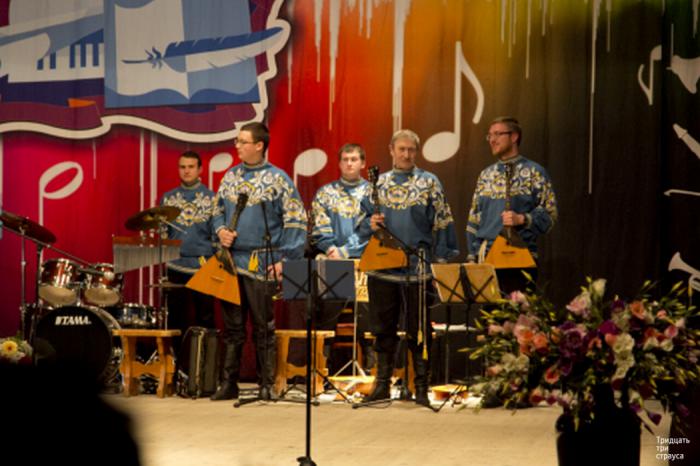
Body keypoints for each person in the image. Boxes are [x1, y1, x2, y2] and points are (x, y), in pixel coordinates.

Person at [210, 122, 307, 401]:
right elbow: (216, 210)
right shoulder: (230, 176)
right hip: (231, 261)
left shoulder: (278, 179)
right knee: (232, 327)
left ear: (259, 145)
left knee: (263, 327)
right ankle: (229, 383)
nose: (237, 146)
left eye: (243, 141)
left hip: (262, 260)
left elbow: (296, 219)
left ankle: (266, 384)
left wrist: (286, 259)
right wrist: (221, 230)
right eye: (237, 141)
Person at [361, 129, 459, 405]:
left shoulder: (429, 182)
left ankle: (422, 387)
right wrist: (369, 224)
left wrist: (441, 261)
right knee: (382, 328)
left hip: (417, 267)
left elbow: (443, 222)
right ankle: (382, 385)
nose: (406, 154)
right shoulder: (377, 183)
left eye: (411, 150)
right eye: (401, 149)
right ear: (391, 150)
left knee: (419, 330)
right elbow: (360, 222)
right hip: (383, 268)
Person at [466, 116, 557, 294]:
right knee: (490, 312)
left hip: (521, 258)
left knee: (518, 312)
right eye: (490, 135)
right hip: (488, 260)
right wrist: (472, 257)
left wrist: (522, 219)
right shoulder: (485, 175)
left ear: (514, 137)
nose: (492, 140)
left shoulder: (534, 172)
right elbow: (474, 219)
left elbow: (550, 215)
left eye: (497, 134)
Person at [310, 143, 372, 373]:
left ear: (363, 163)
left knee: (367, 314)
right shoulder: (325, 193)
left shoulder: (373, 193)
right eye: (345, 159)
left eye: (354, 159)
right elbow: (319, 228)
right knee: (326, 313)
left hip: (365, 262)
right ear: (339, 163)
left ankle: (372, 366)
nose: (349, 163)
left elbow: (370, 229)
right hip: (333, 260)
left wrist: (346, 251)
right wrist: (331, 249)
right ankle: (323, 367)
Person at [160, 151, 217, 349]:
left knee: (205, 318)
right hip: (175, 265)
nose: (186, 171)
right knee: (175, 318)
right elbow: (163, 235)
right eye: (182, 167)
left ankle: (205, 364)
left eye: (191, 167)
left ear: (200, 169)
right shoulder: (168, 199)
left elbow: (217, 235)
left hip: (204, 265)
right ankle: (175, 363)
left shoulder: (213, 199)